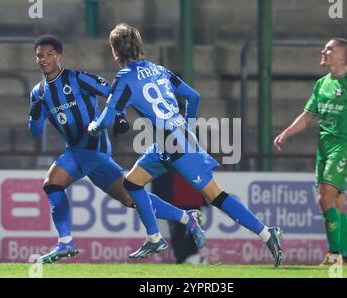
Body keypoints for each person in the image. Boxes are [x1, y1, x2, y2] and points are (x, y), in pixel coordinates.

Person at [88, 23, 283, 267]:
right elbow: (193, 96)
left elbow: (106, 119)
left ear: (115, 52)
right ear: (139, 47)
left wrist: (93, 127)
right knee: (131, 183)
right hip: (170, 140)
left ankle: (266, 233)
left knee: (215, 196)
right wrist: (186, 126)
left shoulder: (124, 79)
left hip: (174, 144)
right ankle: (154, 237)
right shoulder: (160, 70)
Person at [29, 34, 205, 264]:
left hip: (92, 148)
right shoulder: (38, 93)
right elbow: (35, 130)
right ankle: (186, 217)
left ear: (59, 56)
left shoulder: (77, 78)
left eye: (49, 54)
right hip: (80, 151)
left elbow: (112, 93)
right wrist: (34, 119)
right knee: (130, 198)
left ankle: (65, 242)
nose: (44, 59)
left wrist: (120, 116)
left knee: (52, 183)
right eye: (40, 56)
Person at [273, 38, 347, 265]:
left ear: (342, 56)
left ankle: (334, 255)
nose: (324, 51)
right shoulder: (321, 84)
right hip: (324, 149)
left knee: (324, 197)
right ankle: (345, 257)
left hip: (345, 147)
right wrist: (286, 133)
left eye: (329, 49)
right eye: (325, 48)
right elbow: (308, 115)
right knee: (338, 203)